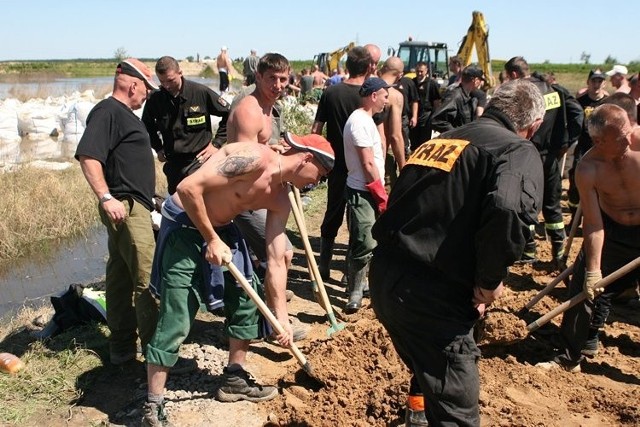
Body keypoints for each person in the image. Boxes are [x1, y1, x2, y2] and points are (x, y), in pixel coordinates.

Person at [370, 79, 545, 426]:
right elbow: (509, 210)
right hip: (431, 296)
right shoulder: (517, 150)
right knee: (457, 411)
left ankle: (418, 415)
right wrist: (487, 281)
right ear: (533, 126)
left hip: (386, 280)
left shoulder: (441, 142)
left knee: (427, 364)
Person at [142, 135, 335, 425]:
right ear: (306, 159)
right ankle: (153, 405)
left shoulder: (280, 197)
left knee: (247, 299)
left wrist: (280, 317)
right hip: (185, 223)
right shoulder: (251, 158)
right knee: (177, 313)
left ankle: (234, 378)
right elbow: (187, 188)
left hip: (221, 229)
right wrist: (211, 239)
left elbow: (276, 259)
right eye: (318, 177)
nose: (314, 185)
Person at [537, 104, 640, 373]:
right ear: (598, 141)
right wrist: (594, 271)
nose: (628, 140)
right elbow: (593, 225)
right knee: (584, 285)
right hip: (612, 229)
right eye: (620, 138)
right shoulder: (588, 169)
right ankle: (570, 355)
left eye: (629, 132)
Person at [75, 58, 160, 365]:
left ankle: (122, 348)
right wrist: (106, 196)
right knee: (147, 278)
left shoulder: (122, 115)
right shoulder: (108, 111)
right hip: (124, 207)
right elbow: (89, 155)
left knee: (121, 277)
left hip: (132, 205)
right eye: (146, 90)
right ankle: (156, 355)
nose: (146, 96)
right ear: (133, 84)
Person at [227, 53, 296, 292]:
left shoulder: (271, 106)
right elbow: (247, 163)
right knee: (282, 253)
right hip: (245, 196)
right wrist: (274, 156)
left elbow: (263, 148)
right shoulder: (249, 109)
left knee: (277, 256)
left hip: (263, 191)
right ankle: (268, 313)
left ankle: (266, 307)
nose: (277, 85)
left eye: (283, 80)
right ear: (258, 76)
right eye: (272, 79)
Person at [505, 56, 583, 268]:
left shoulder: (522, 93)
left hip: (528, 155)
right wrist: (567, 141)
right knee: (552, 203)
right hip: (552, 156)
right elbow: (577, 112)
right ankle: (559, 254)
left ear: (513, 74)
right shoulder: (553, 88)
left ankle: (528, 251)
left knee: (526, 203)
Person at [311, 45, 375, 281]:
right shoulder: (370, 96)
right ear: (369, 67)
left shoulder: (331, 92)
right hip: (361, 167)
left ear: (346, 66)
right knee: (358, 220)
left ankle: (324, 265)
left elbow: (316, 130)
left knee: (333, 213)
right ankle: (351, 273)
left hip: (336, 166)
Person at [142, 56, 229, 194]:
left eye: (170, 80)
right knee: (178, 208)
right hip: (174, 165)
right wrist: (158, 148)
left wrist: (216, 144)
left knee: (201, 203)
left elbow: (229, 114)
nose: (167, 85)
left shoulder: (200, 92)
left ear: (180, 73)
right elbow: (147, 124)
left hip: (200, 161)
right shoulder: (156, 98)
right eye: (162, 81)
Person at [342, 77, 390, 313]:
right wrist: (380, 193)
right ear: (373, 95)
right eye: (384, 96)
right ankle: (354, 292)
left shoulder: (366, 120)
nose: (386, 101)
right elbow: (367, 162)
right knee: (364, 241)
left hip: (367, 188)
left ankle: (360, 285)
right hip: (363, 190)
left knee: (366, 239)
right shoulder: (360, 122)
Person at [567, 69, 608, 217]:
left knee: (601, 181)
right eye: (593, 81)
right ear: (588, 82)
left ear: (604, 83)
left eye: (600, 81)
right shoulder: (580, 102)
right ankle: (574, 215)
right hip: (583, 146)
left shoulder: (608, 103)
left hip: (602, 148)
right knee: (576, 178)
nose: (596, 84)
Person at [430, 65, 485, 133]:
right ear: (476, 80)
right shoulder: (455, 96)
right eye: (480, 80)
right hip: (455, 141)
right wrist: (456, 133)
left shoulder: (470, 96)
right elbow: (437, 120)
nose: (481, 83)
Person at [378, 57, 407, 186]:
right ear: (400, 74)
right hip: (382, 158)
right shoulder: (395, 96)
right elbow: (395, 136)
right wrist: (403, 168)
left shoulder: (364, 88)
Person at [410, 61, 442, 150]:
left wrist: (435, 118)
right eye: (417, 71)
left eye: (421, 71)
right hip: (414, 116)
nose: (419, 73)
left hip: (427, 116)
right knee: (413, 141)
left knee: (424, 142)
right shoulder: (412, 83)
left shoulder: (432, 84)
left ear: (426, 71)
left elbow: (437, 102)